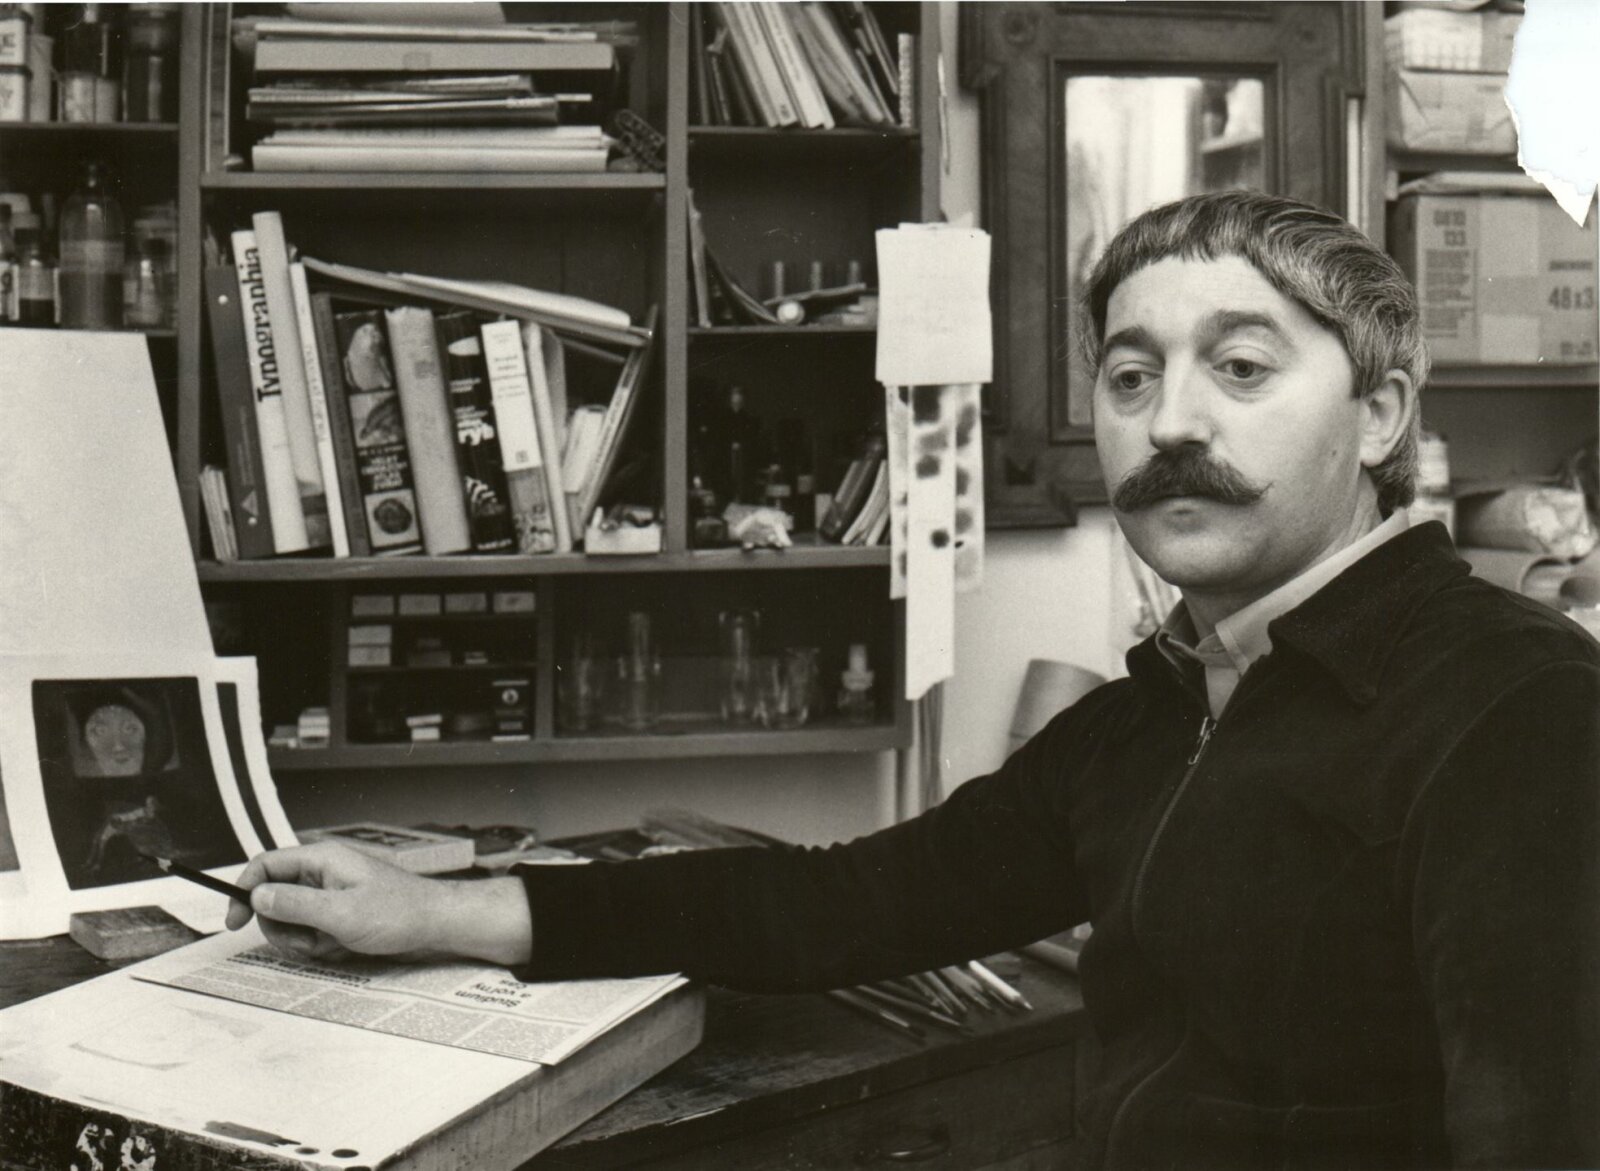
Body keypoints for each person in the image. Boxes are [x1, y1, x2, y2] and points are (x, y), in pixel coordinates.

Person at [227, 192, 1599, 1169]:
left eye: (1242, 368)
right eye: (1130, 378)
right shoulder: (1156, 715)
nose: (1172, 422)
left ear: (1379, 415)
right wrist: (441, 910)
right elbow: (845, 905)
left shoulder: (1521, 709)